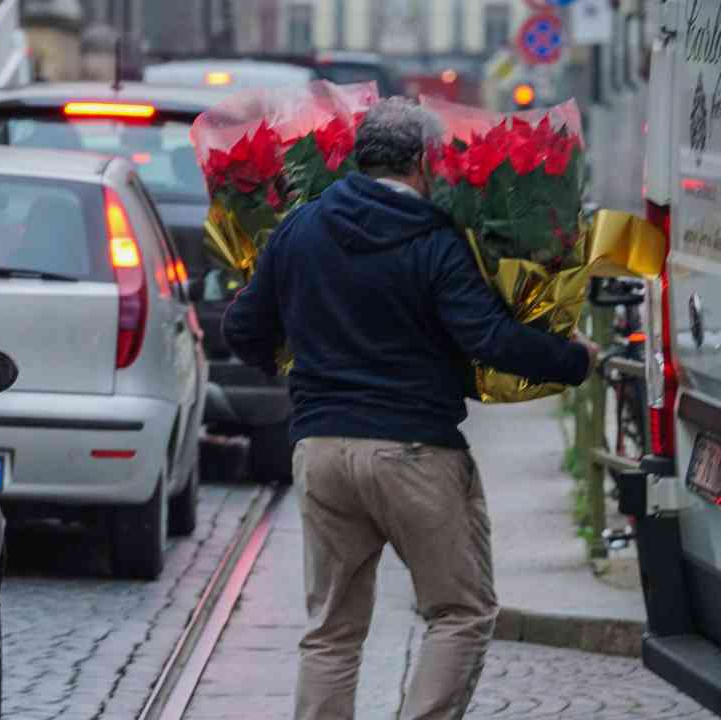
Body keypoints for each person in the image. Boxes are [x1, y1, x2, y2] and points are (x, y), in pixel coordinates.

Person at [222, 97, 598, 720]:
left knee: (331, 630)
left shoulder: (300, 227)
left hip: (321, 450)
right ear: (425, 161)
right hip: (414, 452)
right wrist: (572, 359)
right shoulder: (435, 242)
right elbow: (488, 338)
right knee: (461, 611)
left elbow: (242, 326)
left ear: (356, 158)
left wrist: (294, 365)